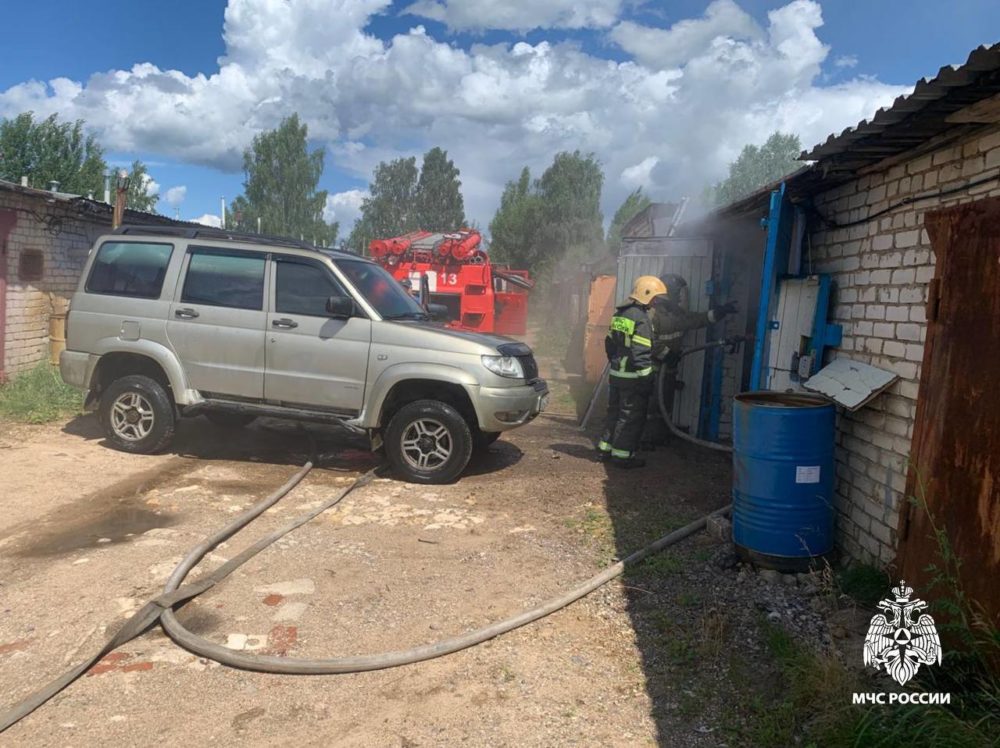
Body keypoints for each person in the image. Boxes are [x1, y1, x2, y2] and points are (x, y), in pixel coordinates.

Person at [641, 273, 737, 448]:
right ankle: (644, 439)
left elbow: (696, 319)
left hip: (668, 370)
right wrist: (667, 354)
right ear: (668, 292)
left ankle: (659, 437)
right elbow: (648, 341)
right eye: (678, 293)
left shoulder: (676, 313)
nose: (680, 297)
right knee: (651, 405)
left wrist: (719, 312)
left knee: (665, 405)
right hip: (652, 370)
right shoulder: (652, 314)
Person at [597, 275, 666, 469]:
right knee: (630, 417)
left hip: (617, 374)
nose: (655, 302)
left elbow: (609, 343)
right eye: (654, 297)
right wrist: (646, 379)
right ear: (646, 294)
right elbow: (641, 352)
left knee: (614, 412)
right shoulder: (641, 318)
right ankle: (622, 456)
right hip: (633, 378)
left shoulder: (620, 314)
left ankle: (605, 449)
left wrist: (616, 362)